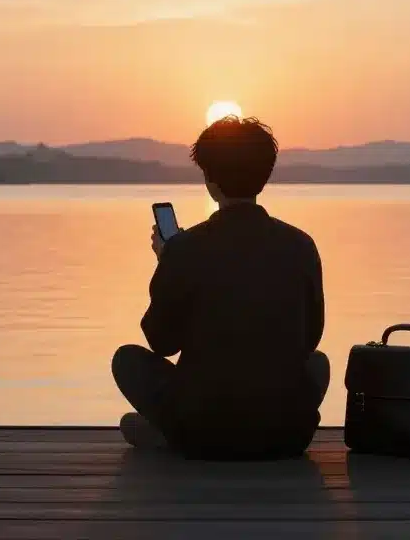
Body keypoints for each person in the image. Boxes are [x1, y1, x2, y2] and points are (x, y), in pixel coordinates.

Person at [112, 116, 328, 460]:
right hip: (286, 435)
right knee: (318, 364)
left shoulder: (185, 250)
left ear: (210, 180)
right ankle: (206, 432)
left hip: (203, 430)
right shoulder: (301, 245)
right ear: (265, 175)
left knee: (127, 360)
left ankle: (171, 434)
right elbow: (309, 341)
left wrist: (167, 262)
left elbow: (162, 343)